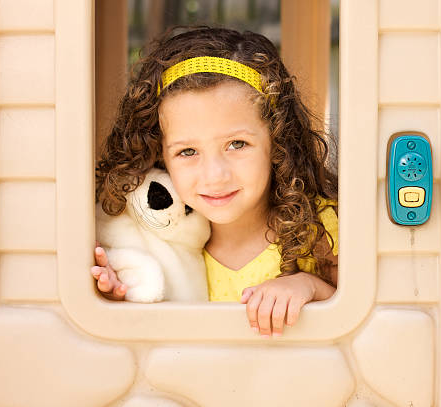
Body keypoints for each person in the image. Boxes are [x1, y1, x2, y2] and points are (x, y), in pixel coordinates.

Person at [91, 26, 338, 338]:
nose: (214, 175)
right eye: (188, 151)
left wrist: (309, 286)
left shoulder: (317, 226)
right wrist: (122, 296)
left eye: (237, 144)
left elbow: (366, 320)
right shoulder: (158, 239)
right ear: (159, 156)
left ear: (278, 141)